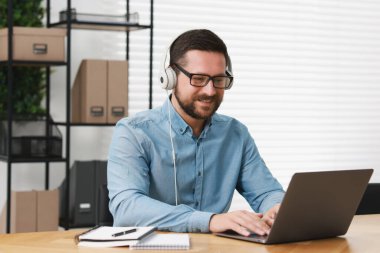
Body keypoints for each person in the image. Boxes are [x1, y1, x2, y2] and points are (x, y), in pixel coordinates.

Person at [107, 29, 285, 236]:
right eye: (199, 78)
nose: (210, 91)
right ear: (170, 77)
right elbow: (126, 207)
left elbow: (267, 192)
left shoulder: (236, 134)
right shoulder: (133, 132)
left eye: (218, 80)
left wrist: (277, 208)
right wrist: (208, 220)